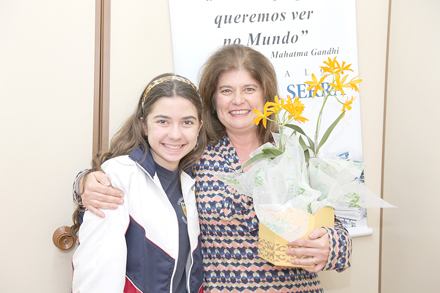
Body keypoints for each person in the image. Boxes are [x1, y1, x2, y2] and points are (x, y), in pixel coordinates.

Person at [73, 45, 352, 292]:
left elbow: (335, 224)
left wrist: (331, 245)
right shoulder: (192, 153)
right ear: (212, 100)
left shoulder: (294, 150)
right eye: (226, 91)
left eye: (249, 89)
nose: (238, 100)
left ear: (267, 95)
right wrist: (85, 183)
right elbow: (136, 175)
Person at [71, 74, 206, 293]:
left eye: (187, 122)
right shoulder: (117, 177)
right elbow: (96, 272)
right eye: (162, 121)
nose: (175, 134)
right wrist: (82, 182)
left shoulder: (196, 176)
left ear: (199, 127)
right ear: (144, 125)